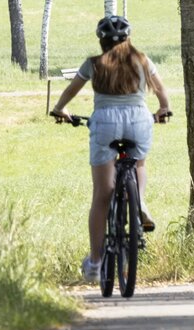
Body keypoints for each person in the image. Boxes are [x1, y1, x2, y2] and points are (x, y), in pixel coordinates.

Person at [50, 15, 172, 283]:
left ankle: (95, 263)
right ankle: (138, 201)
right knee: (138, 163)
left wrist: (60, 110)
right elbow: (162, 92)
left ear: (101, 40)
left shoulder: (93, 64)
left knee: (102, 194)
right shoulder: (142, 60)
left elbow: (71, 90)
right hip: (139, 120)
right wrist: (163, 109)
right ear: (128, 38)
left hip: (105, 122)